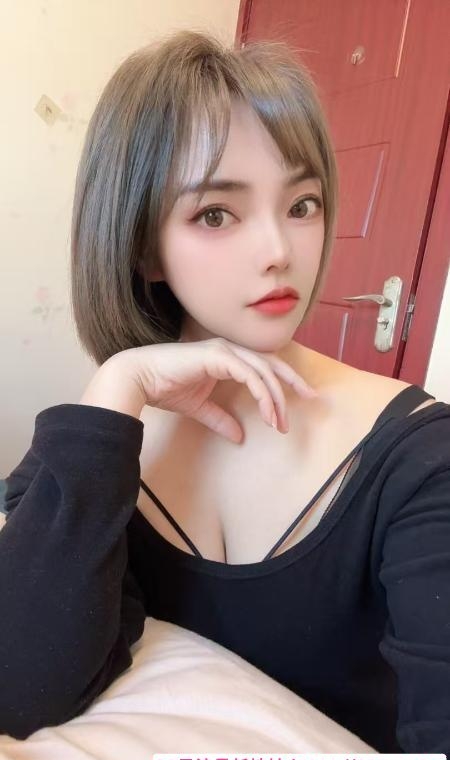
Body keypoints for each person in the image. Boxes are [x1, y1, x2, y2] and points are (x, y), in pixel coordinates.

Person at [1, 29, 449, 753]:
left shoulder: (422, 460)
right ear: (143, 246)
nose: (279, 251)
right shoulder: (101, 440)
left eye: (302, 204)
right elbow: (18, 687)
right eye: (216, 213)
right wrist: (119, 381)